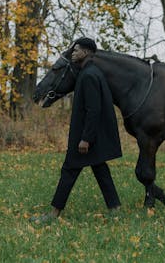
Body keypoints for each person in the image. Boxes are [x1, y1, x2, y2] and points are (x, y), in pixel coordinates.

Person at [31, 37, 122, 223]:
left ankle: (53, 214)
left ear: (87, 52)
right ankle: (116, 209)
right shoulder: (90, 73)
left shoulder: (88, 76)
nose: (73, 52)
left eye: (77, 50)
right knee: (100, 170)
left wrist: (85, 139)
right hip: (91, 135)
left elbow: (93, 110)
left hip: (86, 137)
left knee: (69, 171)